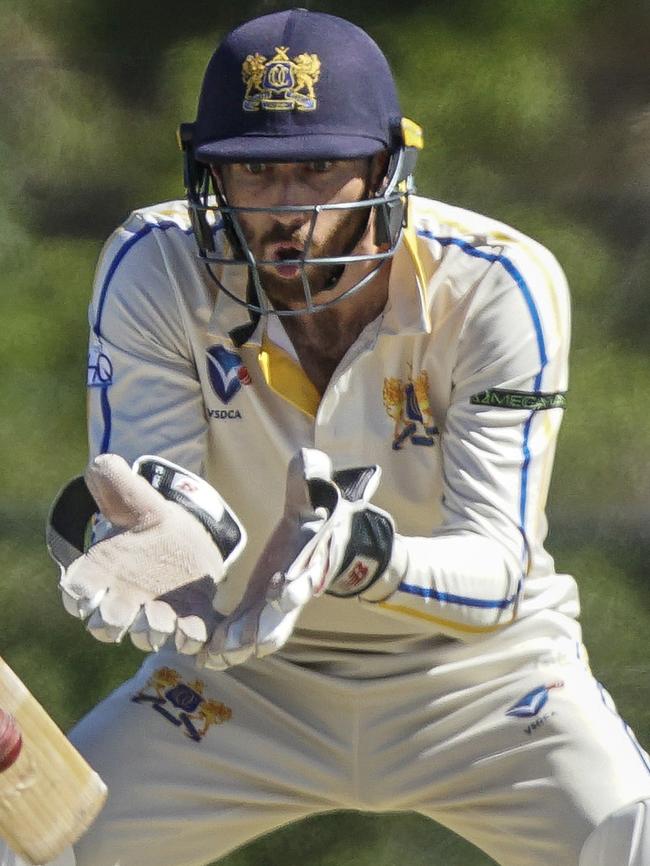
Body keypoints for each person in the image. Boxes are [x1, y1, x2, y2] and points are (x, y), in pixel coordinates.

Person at [2, 8, 649, 866]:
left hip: (481, 681)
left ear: (387, 167)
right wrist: (172, 549)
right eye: (255, 170)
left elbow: (498, 572)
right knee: (40, 845)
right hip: (241, 680)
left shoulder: (499, 281)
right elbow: (152, 501)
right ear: (210, 176)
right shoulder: (154, 264)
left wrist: (360, 552)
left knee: (629, 834)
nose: (287, 208)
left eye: (319, 167)